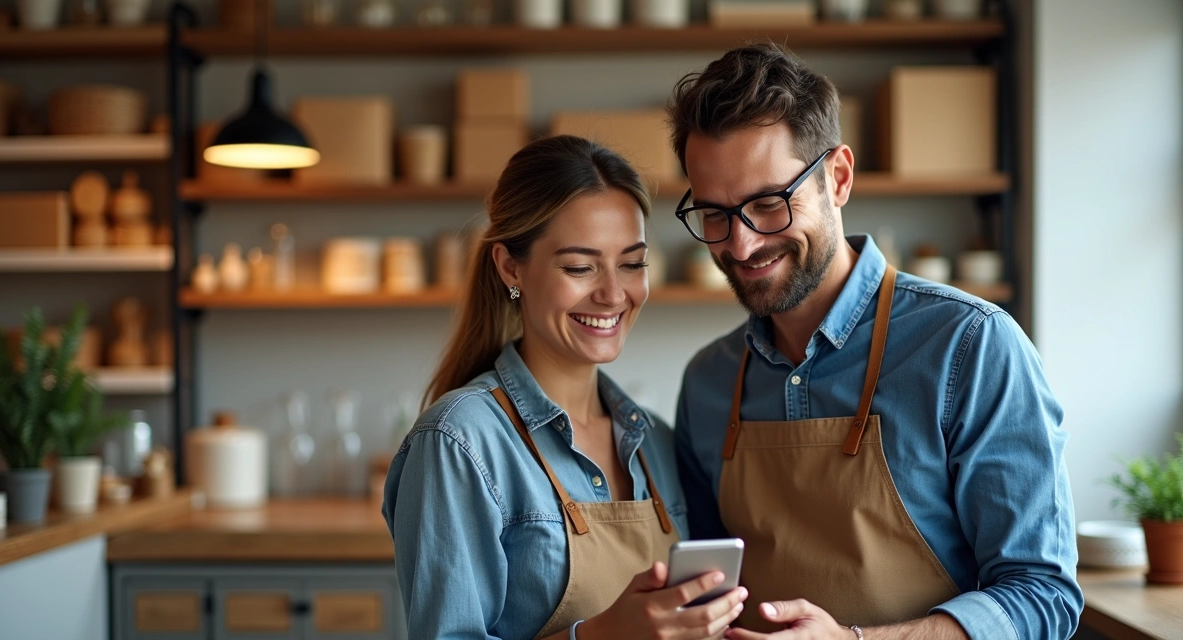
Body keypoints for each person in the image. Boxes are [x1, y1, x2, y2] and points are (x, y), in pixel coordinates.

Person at [668, 43, 1082, 640]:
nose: (740, 245)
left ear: (837, 178)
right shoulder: (708, 379)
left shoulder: (970, 348)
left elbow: (1043, 597)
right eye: (714, 213)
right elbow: (707, 597)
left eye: (768, 204)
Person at [383, 135, 748, 640]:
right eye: (580, 267)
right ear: (511, 267)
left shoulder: (657, 443)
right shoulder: (459, 443)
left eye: (633, 263)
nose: (613, 293)